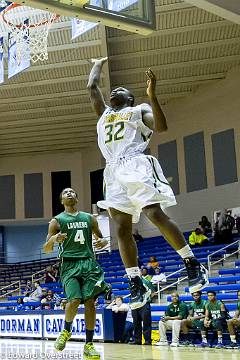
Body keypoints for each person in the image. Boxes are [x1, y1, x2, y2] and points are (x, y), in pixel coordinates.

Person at [87, 58, 208, 309]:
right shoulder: (105, 114)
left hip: (135, 163)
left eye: (121, 90)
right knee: (121, 228)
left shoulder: (138, 109)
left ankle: (192, 263)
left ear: (130, 98)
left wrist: (152, 96)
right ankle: (135, 281)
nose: (114, 91)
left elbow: (162, 127)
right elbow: (92, 87)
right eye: (113, 90)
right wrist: (97, 64)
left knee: (153, 212)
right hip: (112, 170)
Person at [43, 187, 110, 359]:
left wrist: (102, 241)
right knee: (74, 300)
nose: (69, 193)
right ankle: (66, 330)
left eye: (72, 192)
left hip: (88, 262)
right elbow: (47, 248)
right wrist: (53, 239)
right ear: (62, 200)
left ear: (77, 199)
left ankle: (89, 345)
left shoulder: (89, 218)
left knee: (90, 304)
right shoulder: (56, 221)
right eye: (65, 192)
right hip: (69, 264)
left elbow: (100, 238)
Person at [130, 278, 156, 345]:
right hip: (134, 305)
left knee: (146, 323)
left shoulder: (146, 281)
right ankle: (137, 340)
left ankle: (147, 340)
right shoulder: (131, 282)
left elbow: (153, 293)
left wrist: (146, 299)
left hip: (144, 305)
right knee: (136, 323)